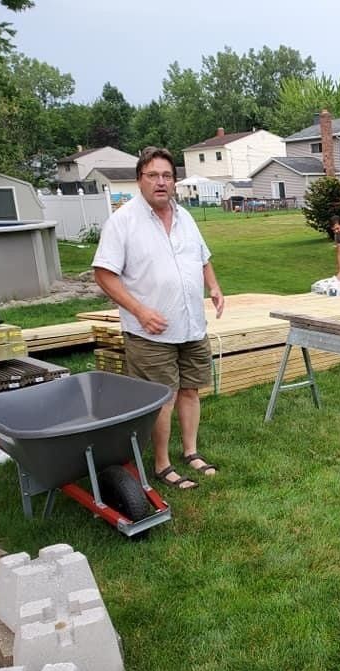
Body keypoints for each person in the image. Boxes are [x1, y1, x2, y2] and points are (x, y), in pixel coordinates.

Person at [92, 146, 225, 490]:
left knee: (191, 389)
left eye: (167, 175)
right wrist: (139, 310)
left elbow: (202, 257)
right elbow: (104, 274)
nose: (161, 182)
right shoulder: (123, 222)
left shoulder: (186, 217)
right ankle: (162, 464)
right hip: (149, 332)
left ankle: (191, 452)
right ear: (140, 180)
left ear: (175, 181)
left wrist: (213, 286)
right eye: (153, 175)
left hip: (192, 324)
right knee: (162, 399)